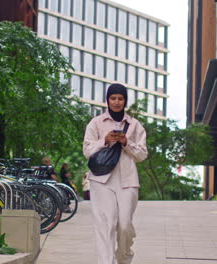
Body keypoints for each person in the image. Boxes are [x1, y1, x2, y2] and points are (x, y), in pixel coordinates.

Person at [83, 83, 147, 264]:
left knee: (125, 225)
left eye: (120, 98)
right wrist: (105, 140)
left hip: (128, 181)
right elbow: (87, 151)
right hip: (101, 180)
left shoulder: (135, 125)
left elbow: (142, 155)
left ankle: (124, 257)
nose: (117, 102)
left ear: (125, 100)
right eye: (113, 98)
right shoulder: (95, 123)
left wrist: (127, 142)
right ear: (107, 100)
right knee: (106, 225)